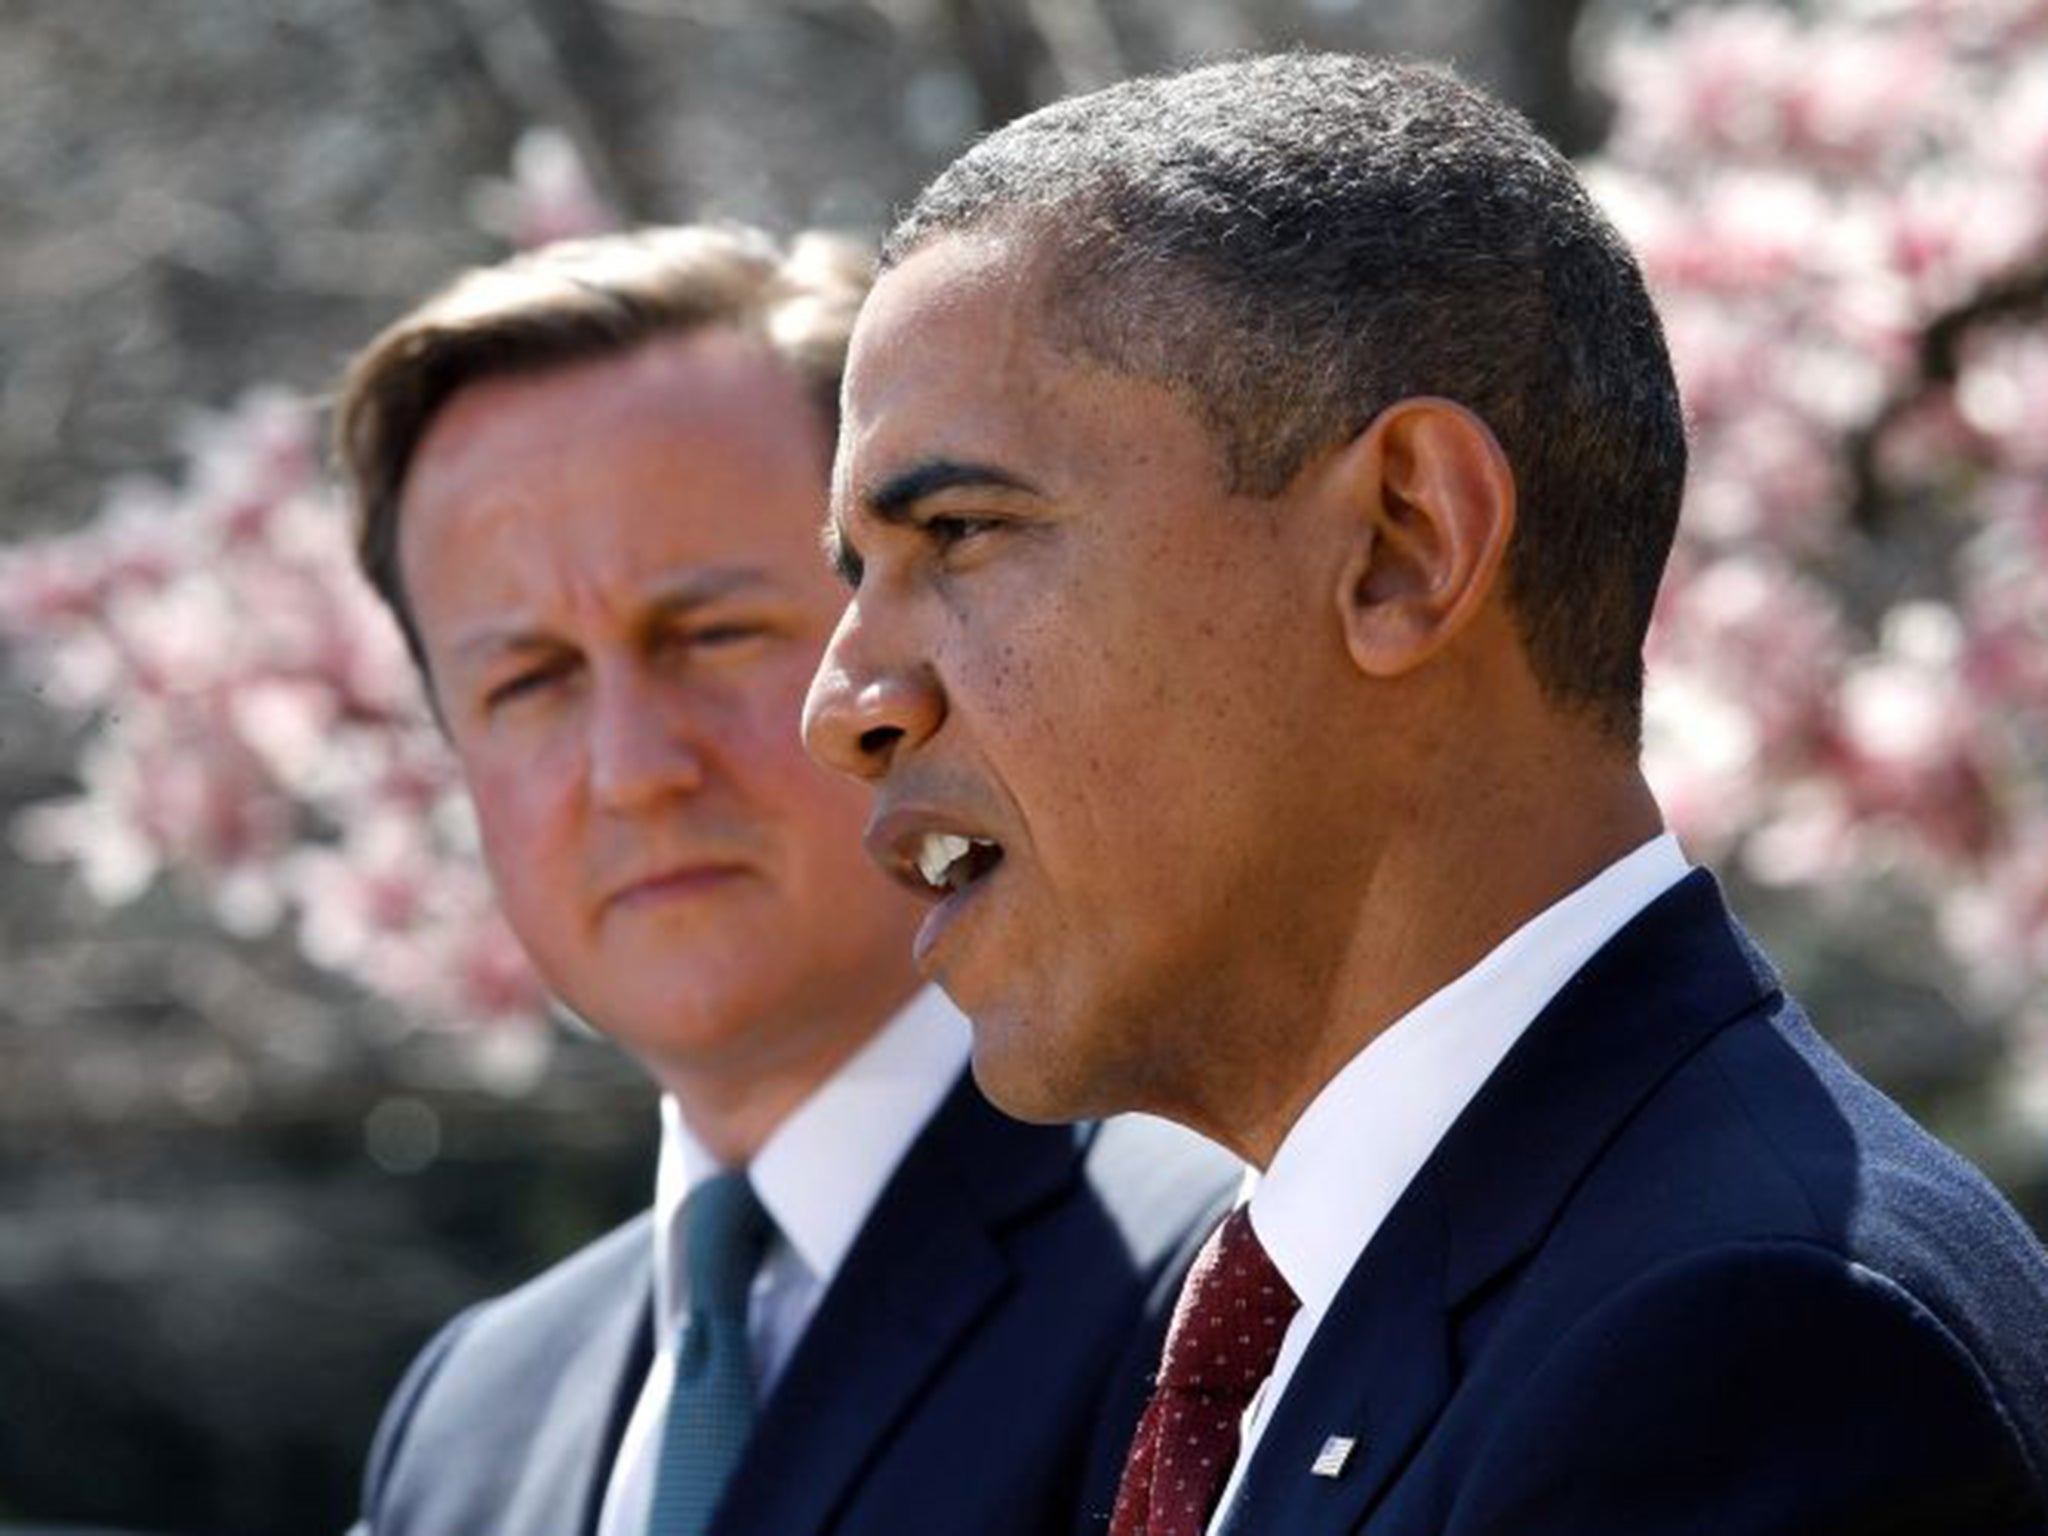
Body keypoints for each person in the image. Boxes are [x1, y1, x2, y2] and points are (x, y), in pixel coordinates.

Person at [801, 53, 2048, 1535]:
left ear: (1404, 542)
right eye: (853, 578)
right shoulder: (1334, 1311)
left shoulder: (1745, 1351)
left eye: (959, 528)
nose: (842, 705)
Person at [332, 223, 1236, 1536]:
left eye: (712, 635)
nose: (634, 767)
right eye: (528, 681)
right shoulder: (470, 1421)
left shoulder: (1222, 1278)